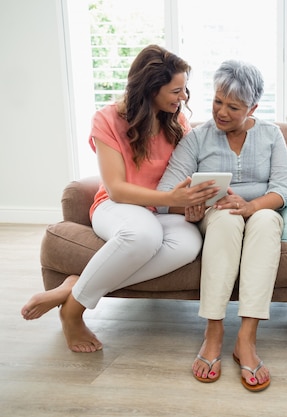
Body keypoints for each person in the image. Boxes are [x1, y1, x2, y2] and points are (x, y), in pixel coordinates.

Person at [20, 44, 214, 352]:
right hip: (117, 206)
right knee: (142, 236)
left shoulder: (176, 122)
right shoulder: (107, 119)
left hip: (162, 211)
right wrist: (169, 196)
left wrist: (192, 199)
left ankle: (75, 286)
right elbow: (116, 188)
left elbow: (185, 177)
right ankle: (74, 313)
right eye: (176, 91)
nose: (184, 98)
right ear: (151, 89)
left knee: (188, 245)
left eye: (185, 89)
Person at [157, 60, 287, 392]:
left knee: (265, 221)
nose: (221, 112)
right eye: (218, 101)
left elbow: (282, 190)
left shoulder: (271, 134)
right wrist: (186, 203)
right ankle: (213, 332)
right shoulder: (197, 138)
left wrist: (252, 205)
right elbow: (164, 195)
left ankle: (246, 339)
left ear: (253, 108)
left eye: (233, 107)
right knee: (226, 221)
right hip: (216, 215)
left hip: (259, 209)